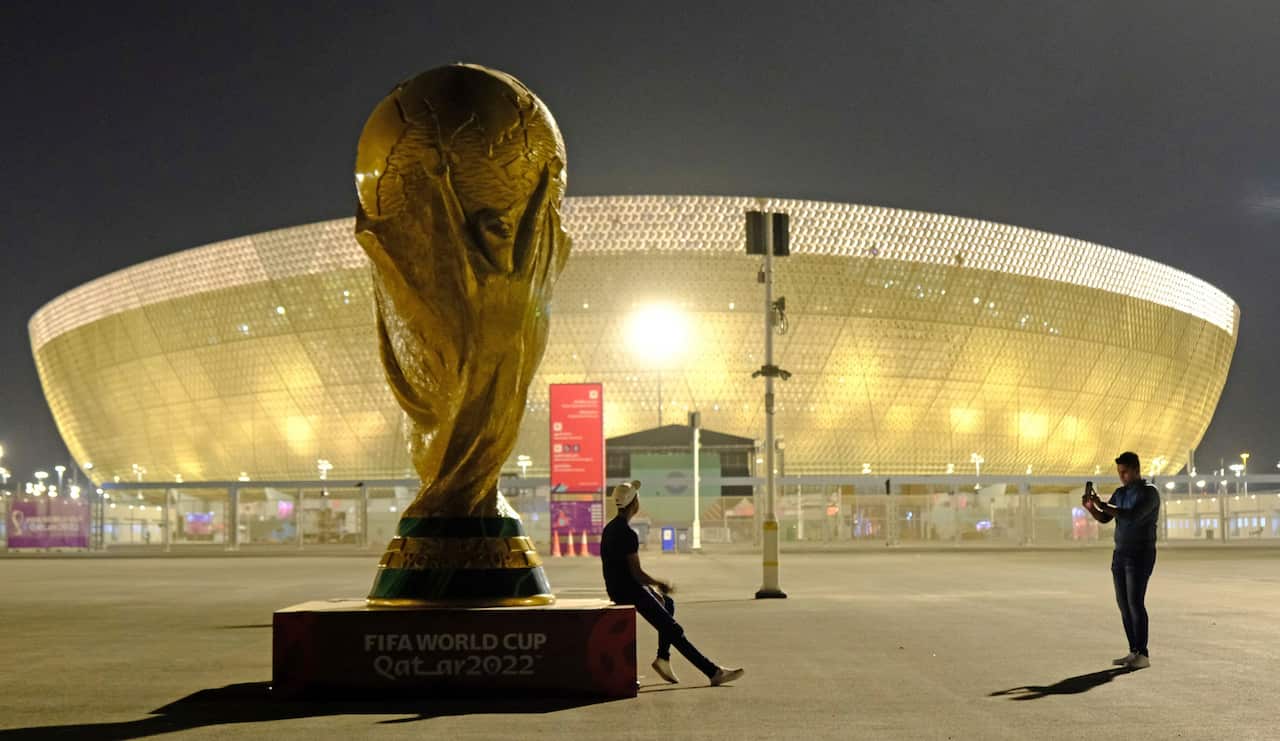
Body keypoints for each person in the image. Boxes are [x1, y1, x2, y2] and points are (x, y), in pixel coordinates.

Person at [599, 479, 744, 686]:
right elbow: (636, 573)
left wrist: (651, 590)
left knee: (668, 604)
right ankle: (713, 672)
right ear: (634, 503)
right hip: (629, 592)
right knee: (673, 630)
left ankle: (663, 659)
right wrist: (659, 583)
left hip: (619, 588)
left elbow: (620, 571)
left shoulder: (610, 529)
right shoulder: (628, 534)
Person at [1082, 451, 1161, 669]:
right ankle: (1133, 650)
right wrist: (1091, 508)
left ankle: (1143, 654)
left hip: (1140, 554)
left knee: (1135, 602)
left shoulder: (1149, 493)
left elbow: (1131, 515)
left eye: (1125, 472)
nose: (1122, 476)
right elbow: (1106, 518)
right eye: (1119, 472)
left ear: (1136, 470)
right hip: (1120, 553)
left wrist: (1103, 504)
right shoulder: (1120, 492)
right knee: (1123, 604)